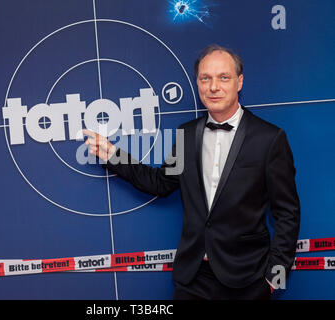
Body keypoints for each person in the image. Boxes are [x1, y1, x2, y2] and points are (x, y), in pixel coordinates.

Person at [83, 44, 300, 300]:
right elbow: (161, 183)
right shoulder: (186, 135)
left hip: (248, 279)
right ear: (197, 83)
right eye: (205, 78)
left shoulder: (270, 138)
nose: (213, 87)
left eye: (223, 77)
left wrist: (274, 280)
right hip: (193, 277)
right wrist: (113, 155)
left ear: (239, 82)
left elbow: (288, 213)